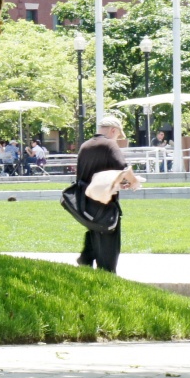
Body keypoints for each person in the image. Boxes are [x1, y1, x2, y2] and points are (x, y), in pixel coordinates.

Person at [75, 116, 130, 273]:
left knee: (95, 231)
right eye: (118, 135)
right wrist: (130, 181)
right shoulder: (109, 145)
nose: (117, 139)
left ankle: (86, 258)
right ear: (113, 130)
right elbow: (123, 168)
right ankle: (107, 275)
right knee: (109, 244)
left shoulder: (85, 146)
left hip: (86, 203)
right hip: (105, 203)